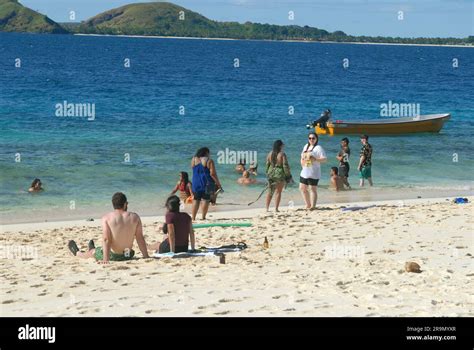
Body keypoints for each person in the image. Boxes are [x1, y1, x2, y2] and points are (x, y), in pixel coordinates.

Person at [67, 192, 149, 263]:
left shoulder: (107, 218)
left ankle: (77, 252)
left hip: (113, 255)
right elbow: (140, 238)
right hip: (127, 255)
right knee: (100, 249)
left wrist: (105, 259)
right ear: (125, 204)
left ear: (113, 204)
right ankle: (91, 248)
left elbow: (106, 239)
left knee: (92, 253)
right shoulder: (135, 217)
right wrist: (146, 256)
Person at [191, 147, 222, 220]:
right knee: (205, 200)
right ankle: (203, 217)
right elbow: (213, 174)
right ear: (206, 153)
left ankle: (193, 218)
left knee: (196, 199)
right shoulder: (209, 161)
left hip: (196, 183)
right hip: (207, 183)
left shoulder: (193, 159)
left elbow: (193, 169)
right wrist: (218, 184)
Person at [299, 132, 327, 210]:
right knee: (302, 188)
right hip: (304, 171)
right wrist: (302, 163)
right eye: (310, 138)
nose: (311, 140)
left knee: (312, 189)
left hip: (314, 172)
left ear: (316, 139)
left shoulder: (318, 148)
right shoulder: (306, 146)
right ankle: (308, 204)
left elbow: (324, 159)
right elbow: (302, 156)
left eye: (313, 138)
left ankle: (313, 206)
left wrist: (315, 159)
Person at [265, 140, 292, 212]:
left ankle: (267, 208)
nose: (283, 145)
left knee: (270, 192)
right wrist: (288, 176)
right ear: (280, 146)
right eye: (283, 144)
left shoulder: (270, 153)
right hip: (280, 174)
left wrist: (267, 173)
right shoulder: (282, 154)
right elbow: (285, 166)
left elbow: (267, 164)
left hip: (271, 173)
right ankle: (276, 209)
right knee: (278, 192)